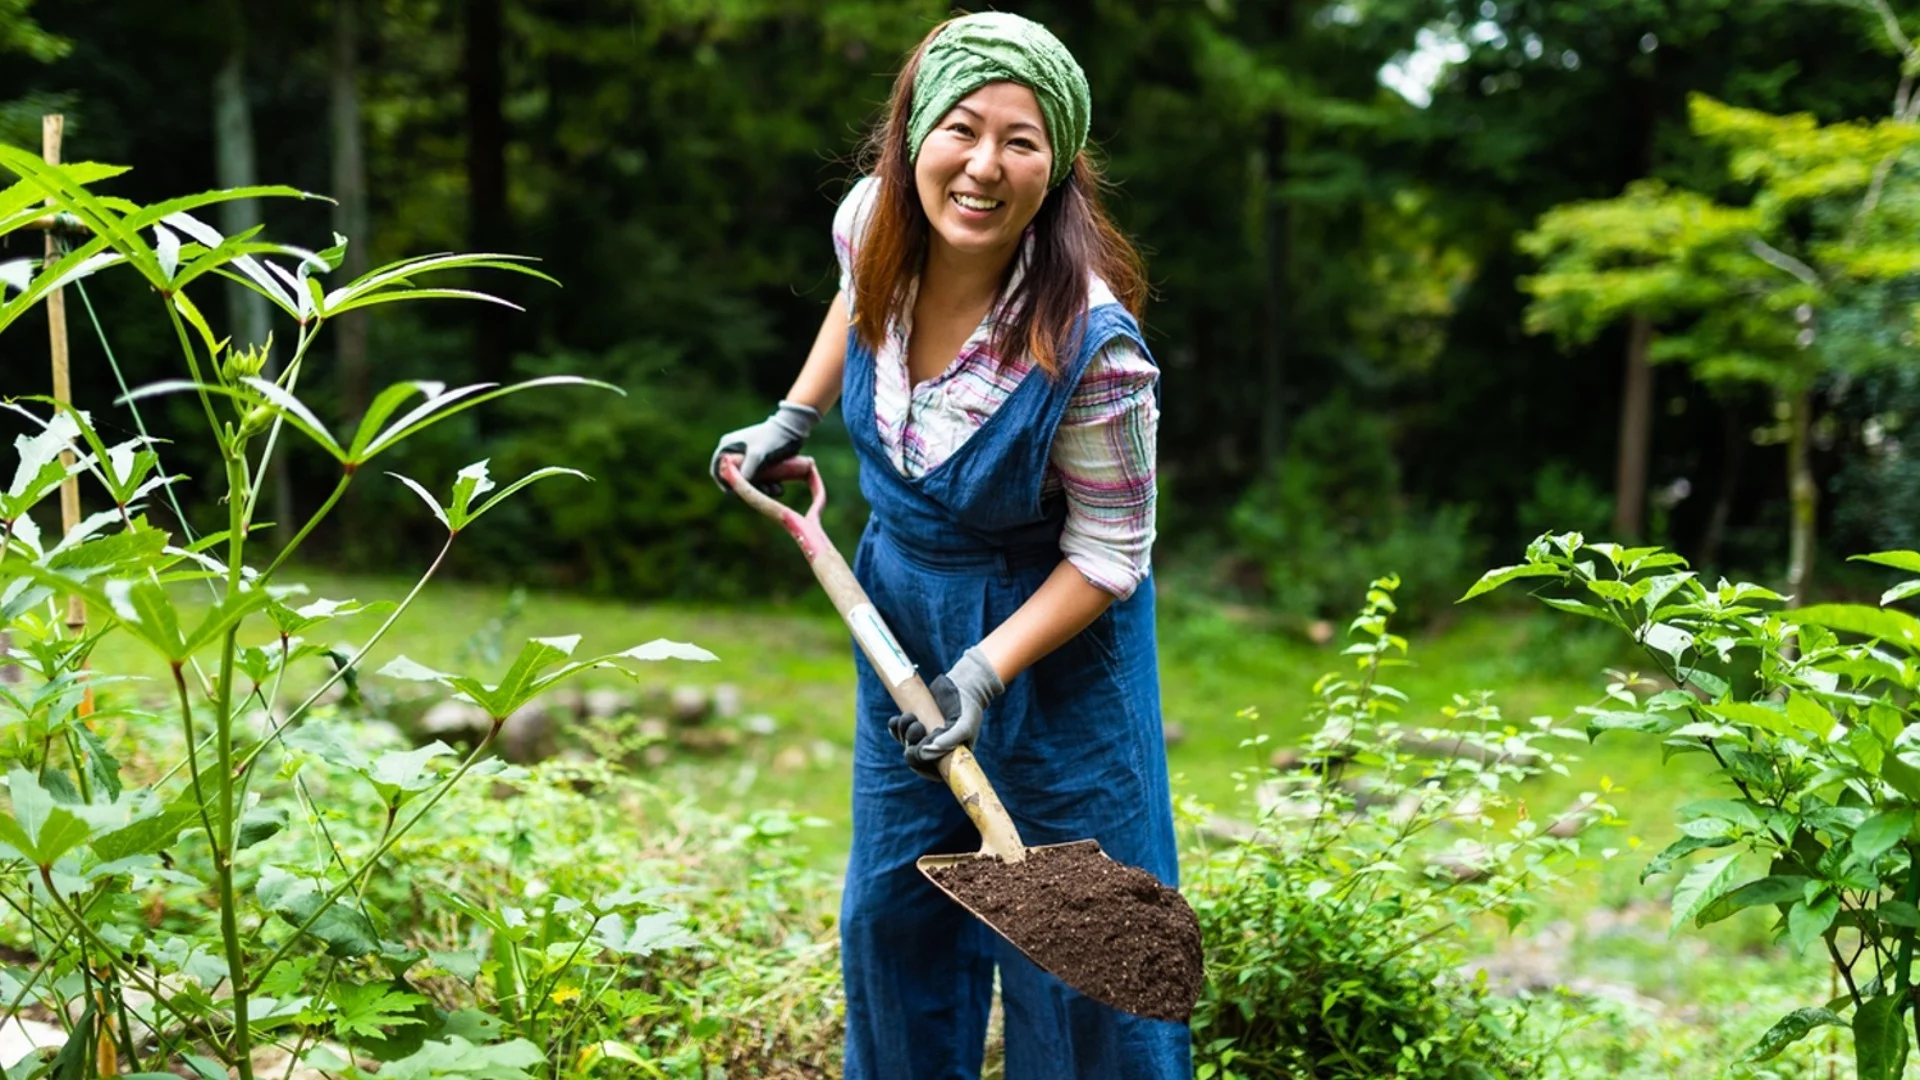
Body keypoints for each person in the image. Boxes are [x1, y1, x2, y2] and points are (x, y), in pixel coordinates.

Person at [709, 12, 1186, 1079]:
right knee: (895, 914)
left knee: (1082, 955)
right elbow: (855, 299)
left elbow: (1113, 552)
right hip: (901, 609)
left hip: (1055, 652)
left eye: (1022, 140)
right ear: (913, 132)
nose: (984, 166)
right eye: (962, 129)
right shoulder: (869, 220)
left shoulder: (1094, 349)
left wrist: (984, 669)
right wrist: (792, 416)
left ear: (1055, 166)